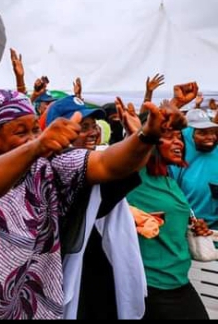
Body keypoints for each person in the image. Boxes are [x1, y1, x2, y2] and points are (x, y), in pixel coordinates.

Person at [0, 89, 182, 319]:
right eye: (20, 132)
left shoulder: (49, 163)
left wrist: (147, 135)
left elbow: (108, 165)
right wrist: (35, 147)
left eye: (35, 129)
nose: (32, 137)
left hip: (34, 300)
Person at [45, 96, 146, 319]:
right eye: (83, 127)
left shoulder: (91, 163)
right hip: (75, 280)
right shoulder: (60, 169)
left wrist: (138, 137)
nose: (92, 132)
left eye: (94, 126)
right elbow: (120, 168)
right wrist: (144, 137)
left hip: (97, 273)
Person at [127, 120, 210, 320]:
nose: (179, 143)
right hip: (153, 285)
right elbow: (129, 151)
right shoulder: (136, 177)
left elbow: (164, 215)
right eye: (169, 137)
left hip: (178, 279)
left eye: (180, 137)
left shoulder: (167, 177)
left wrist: (191, 225)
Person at [171, 109, 218, 229]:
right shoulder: (176, 160)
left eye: (213, 132)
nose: (210, 137)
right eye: (202, 133)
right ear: (188, 135)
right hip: (190, 229)